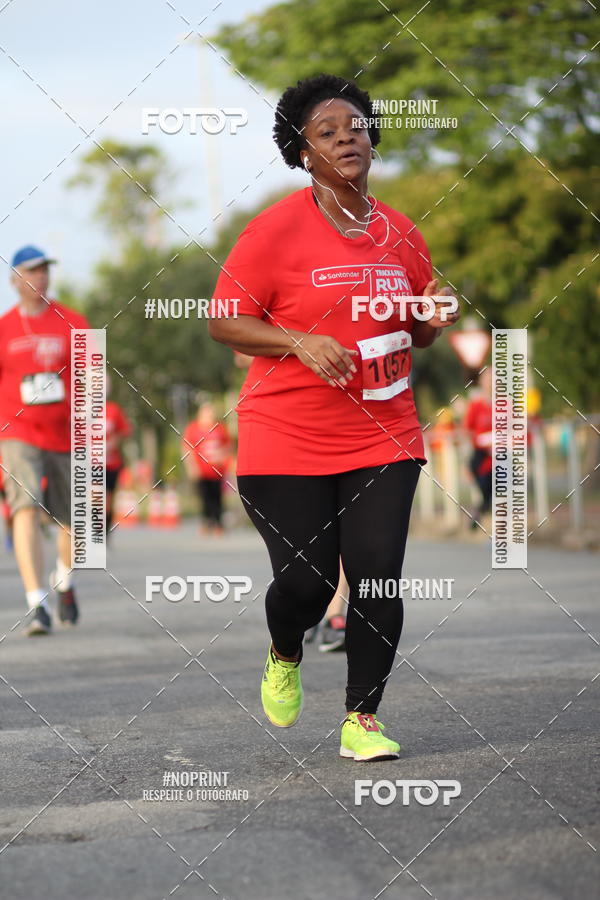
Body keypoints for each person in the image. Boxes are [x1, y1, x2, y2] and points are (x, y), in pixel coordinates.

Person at [209, 74, 459, 761]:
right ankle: (284, 649)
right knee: (310, 581)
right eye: (327, 132)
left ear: (373, 140)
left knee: (376, 574)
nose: (346, 137)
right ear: (304, 153)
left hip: (384, 433)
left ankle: (362, 719)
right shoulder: (273, 232)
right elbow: (224, 321)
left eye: (355, 126)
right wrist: (298, 341)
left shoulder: (401, 232)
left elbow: (418, 332)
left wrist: (433, 314)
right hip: (285, 436)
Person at [0, 245, 89, 635]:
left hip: (66, 433)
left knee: (73, 519)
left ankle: (64, 582)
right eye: (32, 271)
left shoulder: (73, 321)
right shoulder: (4, 328)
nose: (40, 277)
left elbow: (92, 376)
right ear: (14, 279)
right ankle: (37, 603)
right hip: (17, 432)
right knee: (24, 507)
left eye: (45, 270)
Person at [182, 401, 231, 535]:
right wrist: (191, 467)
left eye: (211, 412)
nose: (209, 415)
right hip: (201, 471)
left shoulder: (220, 428)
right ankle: (206, 522)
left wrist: (222, 455)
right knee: (205, 497)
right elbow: (187, 449)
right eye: (206, 412)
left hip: (217, 470)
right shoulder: (193, 428)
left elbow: (228, 446)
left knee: (217, 497)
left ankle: (218, 523)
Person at [464, 367, 493, 529]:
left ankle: (479, 512)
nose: (491, 383)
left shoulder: (506, 404)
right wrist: (480, 440)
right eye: (488, 379)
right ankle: (481, 510)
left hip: (502, 454)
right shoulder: (476, 406)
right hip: (481, 454)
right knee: (485, 485)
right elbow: (468, 430)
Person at [105, 376, 132, 539]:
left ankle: (104, 532)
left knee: (107, 501)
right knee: (94, 497)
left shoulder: (113, 410)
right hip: (88, 463)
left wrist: (112, 444)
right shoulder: (80, 409)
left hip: (111, 463)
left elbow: (124, 431)